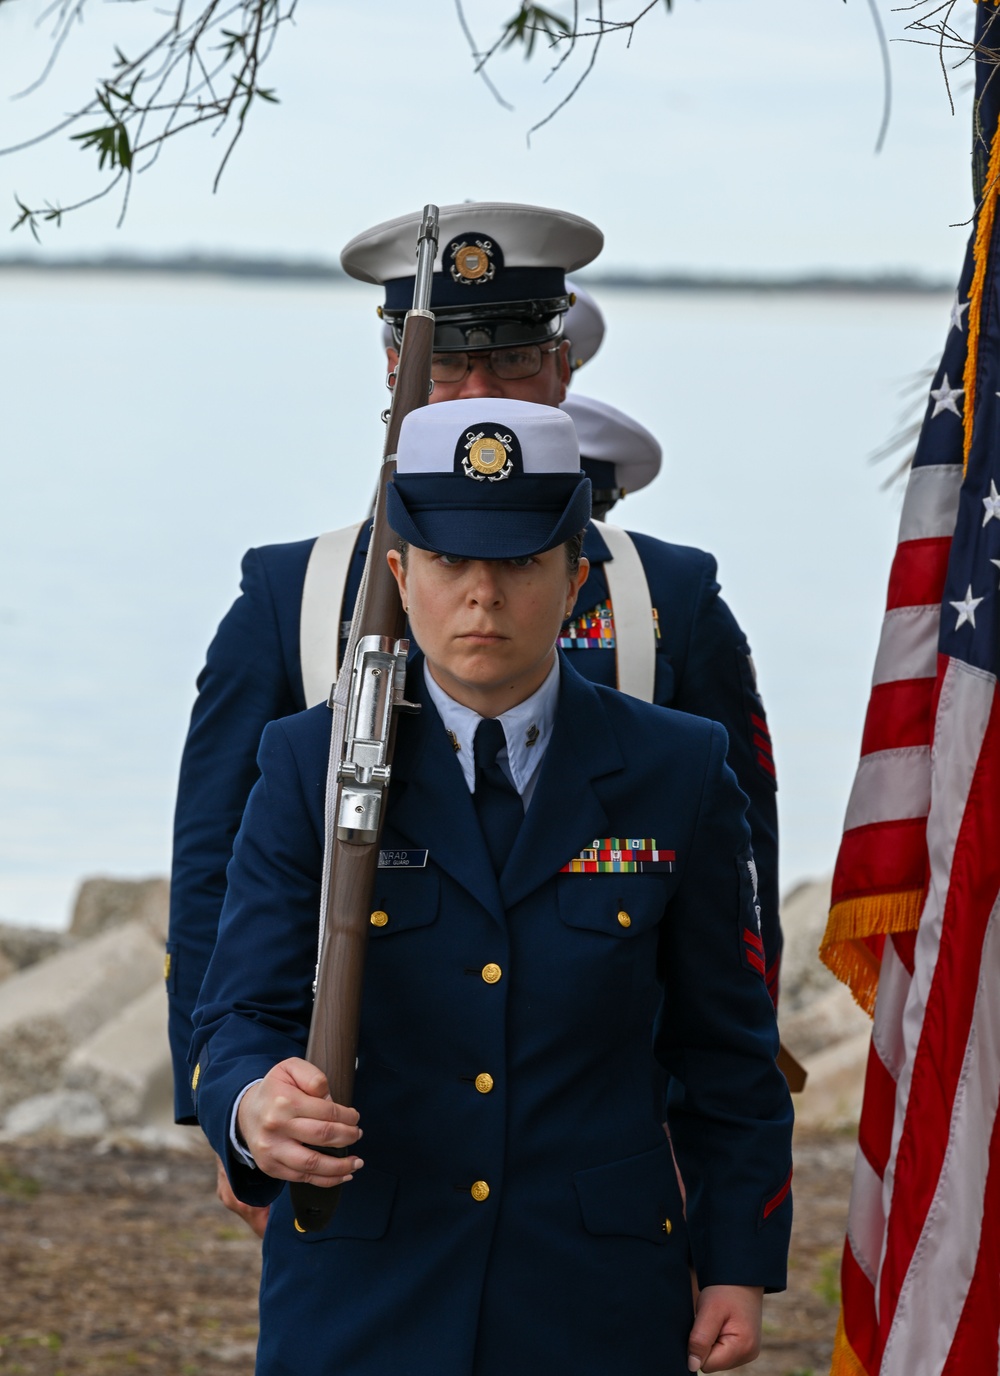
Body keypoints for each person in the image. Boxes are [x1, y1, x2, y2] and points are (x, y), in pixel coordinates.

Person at [189, 398, 793, 1376]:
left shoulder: (677, 768)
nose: (482, 594)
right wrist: (248, 1108)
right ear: (400, 569)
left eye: (518, 561)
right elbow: (241, 1015)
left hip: (594, 1341)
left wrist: (739, 1262)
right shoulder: (310, 763)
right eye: (453, 559)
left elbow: (726, 1045)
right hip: (362, 1333)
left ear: (573, 578)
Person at [168, 202, 780, 1144]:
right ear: (395, 370)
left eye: (512, 356)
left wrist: (712, 1143)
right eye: (446, 359)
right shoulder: (295, 593)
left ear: (564, 367)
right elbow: (216, 872)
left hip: (611, 1141)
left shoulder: (669, 595)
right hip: (364, 1134)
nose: (476, 390)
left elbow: (739, 888)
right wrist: (228, 1110)